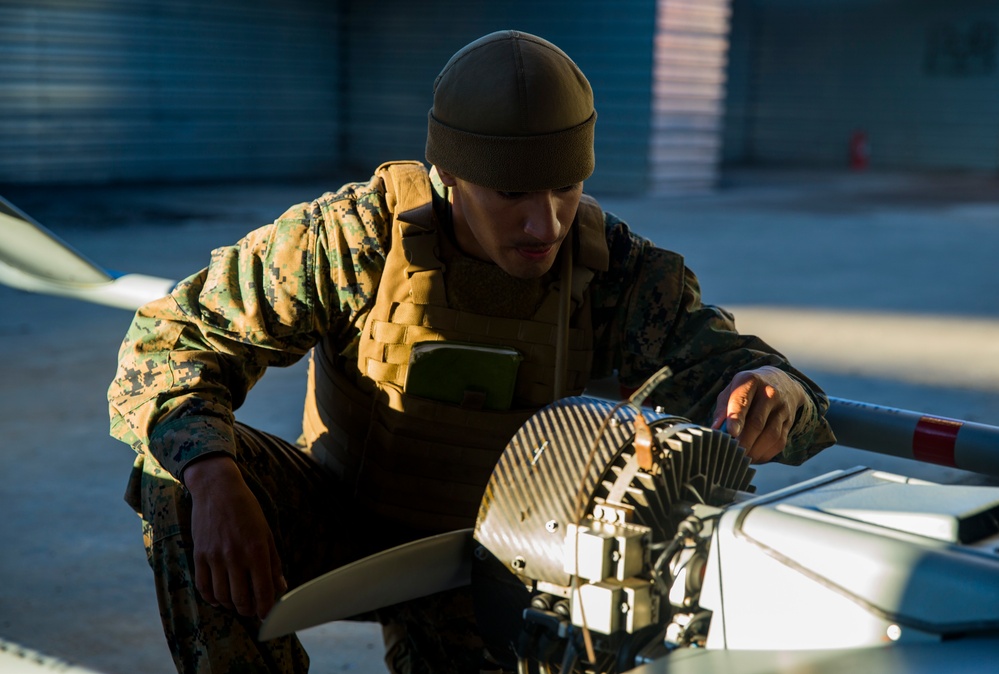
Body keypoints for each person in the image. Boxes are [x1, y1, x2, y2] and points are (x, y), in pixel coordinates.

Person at [108, 29, 835, 674]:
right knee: (175, 475)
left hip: (504, 562)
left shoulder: (614, 273)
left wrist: (773, 389)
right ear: (450, 174)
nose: (542, 221)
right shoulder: (357, 239)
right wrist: (211, 480)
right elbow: (172, 341)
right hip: (340, 526)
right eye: (511, 192)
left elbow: (754, 382)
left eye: (564, 187)